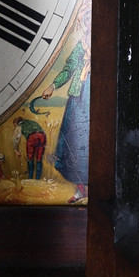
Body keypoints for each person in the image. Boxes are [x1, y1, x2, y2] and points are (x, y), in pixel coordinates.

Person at [42, 35, 90, 204]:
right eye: (84, 20)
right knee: (75, 144)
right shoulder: (81, 45)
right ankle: (80, 189)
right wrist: (53, 86)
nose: (86, 23)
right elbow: (68, 69)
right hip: (79, 97)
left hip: (98, 96)